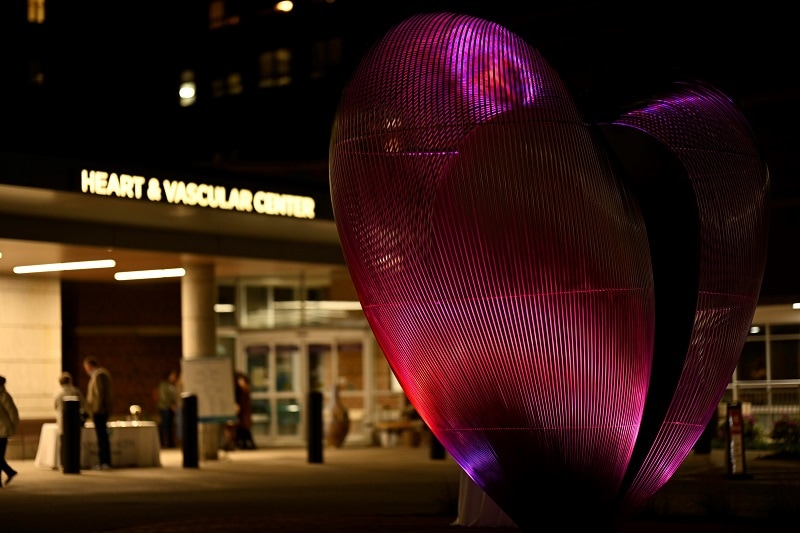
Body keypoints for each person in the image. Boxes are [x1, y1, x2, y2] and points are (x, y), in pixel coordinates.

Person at [83, 356, 113, 470]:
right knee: (102, 437)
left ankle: (104, 462)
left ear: (90, 366)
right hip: (101, 410)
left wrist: (96, 410)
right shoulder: (101, 374)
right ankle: (104, 462)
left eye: (86, 367)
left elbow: (99, 394)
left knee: (102, 438)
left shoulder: (99, 375)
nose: (86, 370)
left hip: (99, 411)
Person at [54, 372, 86, 468]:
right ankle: (75, 462)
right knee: (74, 442)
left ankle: (63, 463)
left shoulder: (58, 393)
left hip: (63, 420)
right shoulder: (76, 391)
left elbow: (55, 406)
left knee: (64, 443)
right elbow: (82, 404)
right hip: (75, 420)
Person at [0, 375, 19, 487]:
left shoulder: (4, 396)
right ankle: (9, 472)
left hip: (3, 431)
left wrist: (13, 428)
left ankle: (10, 472)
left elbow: (13, 413)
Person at [156, 369, 178, 448]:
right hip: (165, 408)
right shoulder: (163, 385)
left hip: (171, 408)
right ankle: (161, 443)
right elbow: (164, 397)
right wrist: (170, 405)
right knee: (164, 425)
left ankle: (170, 443)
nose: (174, 377)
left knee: (170, 426)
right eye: (173, 375)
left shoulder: (171, 385)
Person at [234, 372, 256, 450]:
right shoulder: (244, 388)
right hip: (243, 412)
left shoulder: (244, 388)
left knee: (245, 429)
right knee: (243, 429)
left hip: (244, 411)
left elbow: (244, 401)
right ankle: (244, 444)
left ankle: (249, 444)